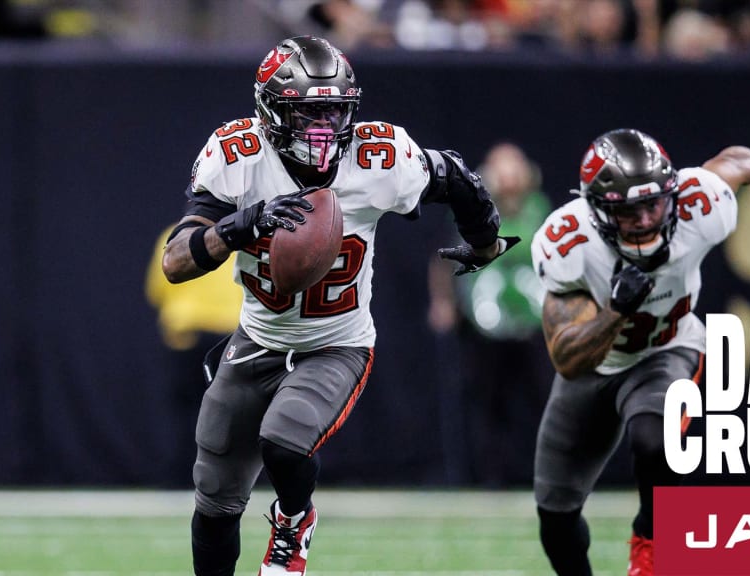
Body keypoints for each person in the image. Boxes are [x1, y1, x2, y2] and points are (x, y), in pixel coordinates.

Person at [160, 35, 518, 576]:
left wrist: (486, 241)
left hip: (336, 345)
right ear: (271, 110)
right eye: (307, 112)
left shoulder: (378, 158)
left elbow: (455, 177)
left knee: (284, 440)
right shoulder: (239, 156)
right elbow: (176, 262)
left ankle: (294, 520)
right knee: (214, 500)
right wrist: (241, 226)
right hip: (256, 342)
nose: (323, 127)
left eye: (333, 110)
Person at [529, 128, 750, 576]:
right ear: (597, 211)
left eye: (654, 204)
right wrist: (614, 312)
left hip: (668, 350)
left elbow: (734, 163)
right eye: (630, 211)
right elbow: (567, 360)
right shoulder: (569, 244)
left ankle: (651, 549)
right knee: (556, 517)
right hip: (596, 368)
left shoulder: (699, 207)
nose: (648, 219)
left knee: (655, 439)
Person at [427, 141, 553, 486]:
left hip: (533, 323)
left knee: (544, 400)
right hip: (483, 325)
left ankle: (550, 474)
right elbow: (444, 258)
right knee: (486, 403)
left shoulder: (539, 209)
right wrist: (443, 302)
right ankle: (489, 478)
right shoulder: (472, 209)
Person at [145, 224, 244, 488]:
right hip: (228, 333)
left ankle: (181, 477)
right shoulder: (240, 236)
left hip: (187, 332)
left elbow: (157, 288)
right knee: (232, 409)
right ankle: (230, 477)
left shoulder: (173, 237)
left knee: (186, 410)